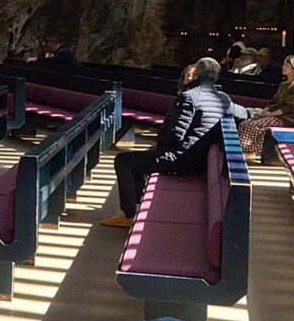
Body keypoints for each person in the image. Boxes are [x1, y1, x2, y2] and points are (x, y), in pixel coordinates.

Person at [105, 57, 247, 227]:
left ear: (197, 73)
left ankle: (128, 215)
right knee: (138, 160)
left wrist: (159, 143)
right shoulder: (223, 98)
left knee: (123, 161)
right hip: (200, 160)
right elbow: (243, 113)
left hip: (182, 160)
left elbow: (174, 135)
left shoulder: (188, 97)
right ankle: (136, 204)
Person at [241, 56, 294, 166]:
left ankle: (250, 152)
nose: (283, 67)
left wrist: (270, 114)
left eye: (286, 65)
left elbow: (291, 107)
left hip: (286, 118)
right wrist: (264, 111)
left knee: (252, 126)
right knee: (245, 123)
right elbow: (274, 101)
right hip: (275, 115)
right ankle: (244, 151)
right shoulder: (284, 84)